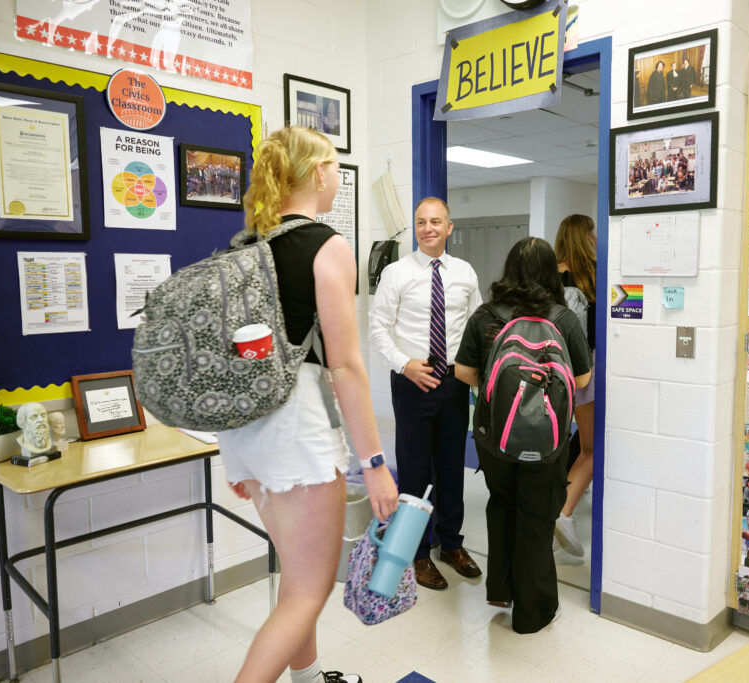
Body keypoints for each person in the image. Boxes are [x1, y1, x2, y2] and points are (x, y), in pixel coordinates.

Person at [220, 126, 398, 683]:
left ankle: (310, 677)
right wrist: (374, 465)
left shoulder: (244, 247)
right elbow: (344, 364)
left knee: (296, 574)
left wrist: (244, 457)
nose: (338, 177)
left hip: (245, 428)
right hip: (294, 429)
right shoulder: (327, 245)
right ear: (319, 173)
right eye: (335, 166)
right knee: (309, 589)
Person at [455, 237, 591, 634]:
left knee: (501, 506)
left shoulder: (486, 314)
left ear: (509, 268)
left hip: (493, 435)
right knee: (536, 519)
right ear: (551, 272)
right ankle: (532, 613)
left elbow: (463, 372)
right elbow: (581, 378)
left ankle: (500, 589)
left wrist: (500, 391)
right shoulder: (562, 318)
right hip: (546, 441)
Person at [370, 196, 483, 591]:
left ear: (449, 227)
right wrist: (405, 365)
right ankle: (417, 553)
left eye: (436, 221)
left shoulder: (465, 273)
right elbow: (378, 329)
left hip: (453, 383)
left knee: (452, 466)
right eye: (421, 222)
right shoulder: (397, 273)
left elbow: (475, 329)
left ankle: (451, 544)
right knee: (415, 471)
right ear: (416, 228)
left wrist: (474, 375)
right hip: (412, 381)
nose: (428, 228)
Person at [552, 214, 597, 557]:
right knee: (591, 449)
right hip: (583, 376)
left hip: (564, 377)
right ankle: (564, 513)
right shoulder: (575, 283)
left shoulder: (559, 276)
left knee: (574, 448)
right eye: (593, 234)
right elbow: (578, 340)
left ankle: (559, 512)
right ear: (584, 238)